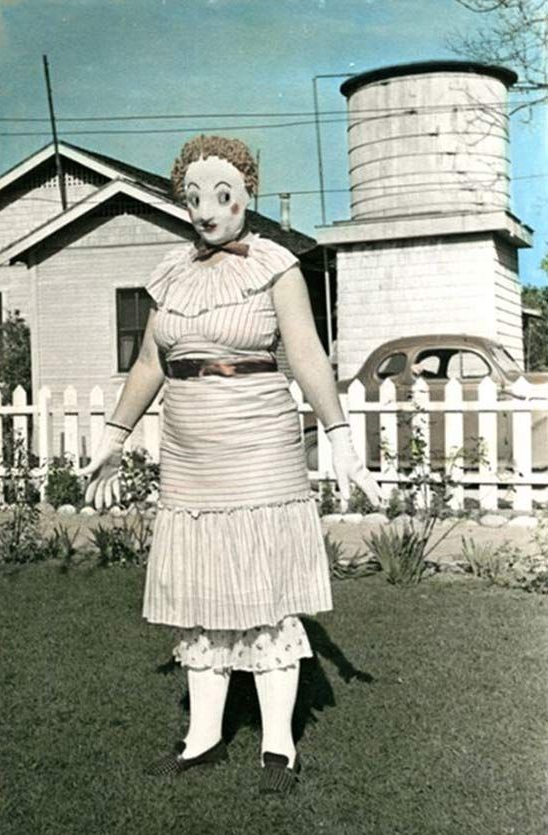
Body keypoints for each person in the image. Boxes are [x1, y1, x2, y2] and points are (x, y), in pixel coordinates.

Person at [82, 134, 381, 795]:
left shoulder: (276, 265)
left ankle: (278, 745)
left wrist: (339, 436)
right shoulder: (170, 273)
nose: (206, 210)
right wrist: (113, 433)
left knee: (268, 594)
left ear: (247, 192)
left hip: (260, 447)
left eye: (221, 195)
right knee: (201, 593)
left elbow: (306, 355)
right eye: (193, 198)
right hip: (189, 453)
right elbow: (151, 362)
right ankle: (203, 739)